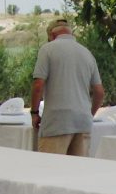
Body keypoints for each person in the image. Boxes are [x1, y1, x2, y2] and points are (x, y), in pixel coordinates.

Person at [30, 18, 105, 156]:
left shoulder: (47, 49)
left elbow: (38, 85)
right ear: (71, 34)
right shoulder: (87, 53)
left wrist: (34, 113)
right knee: (78, 167)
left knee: (50, 167)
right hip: (83, 121)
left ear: (51, 35)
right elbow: (99, 92)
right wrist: (89, 114)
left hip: (56, 122)